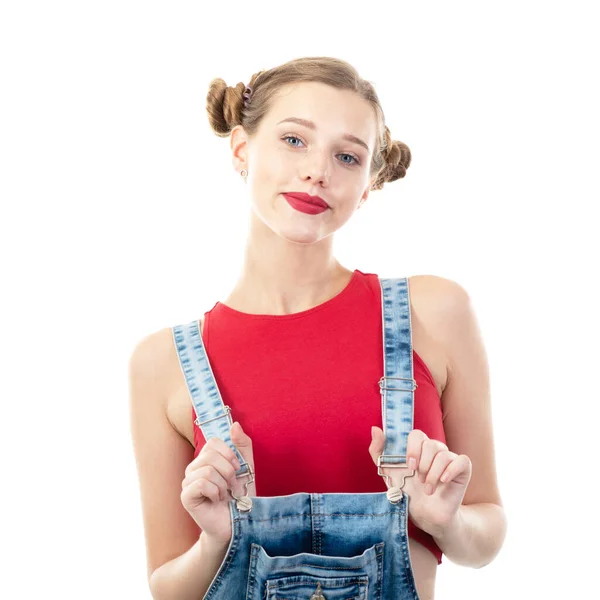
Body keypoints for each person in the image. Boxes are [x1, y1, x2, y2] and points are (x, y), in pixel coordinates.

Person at [129, 56, 507, 600]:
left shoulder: (433, 313)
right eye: (294, 140)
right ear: (241, 148)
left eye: (348, 156)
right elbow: (169, 588)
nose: (317, 172)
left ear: (369, 183)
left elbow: (486, 533)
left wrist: (446, 521)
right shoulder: (163, 361)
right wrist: (216, 540)